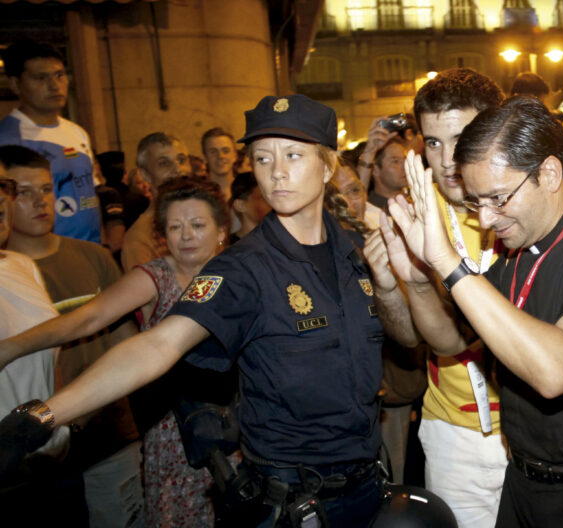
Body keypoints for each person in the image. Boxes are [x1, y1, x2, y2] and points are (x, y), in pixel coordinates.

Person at [0, 94, 397, 528]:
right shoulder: (243, 268)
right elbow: (158, 345)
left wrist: (395, 285)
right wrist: (42, 416)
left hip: (367, 485)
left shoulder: (357, 250)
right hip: (294, 500)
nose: (277, 172)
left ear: (327, 166)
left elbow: (410, 338)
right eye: (262, 158)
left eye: (293, 155)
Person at [363, 68, 563, 527]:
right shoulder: (514, 250)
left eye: (498, 198)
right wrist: (417, 280)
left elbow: (556, 370)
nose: (485, 219)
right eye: (433, 142)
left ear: (548, 173)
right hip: (524, 479)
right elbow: (451, 341)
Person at [0, 176, 231, 527]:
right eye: (175, 227)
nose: (186, 235)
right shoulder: (155, 277)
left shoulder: (238, 276)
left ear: (221, 231)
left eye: (197, 225)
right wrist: (12, 347)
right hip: (176, 433)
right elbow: (88, 318)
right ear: (162, 235)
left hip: (239, 428)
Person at [0, 145, 144, 527]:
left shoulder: (87, 258)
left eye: (46, 189)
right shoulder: (17, 267)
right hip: (22, 453)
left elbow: (128, 345)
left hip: (98, 435)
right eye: (23, 191)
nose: (40, 201)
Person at [0, 171, 86, 525]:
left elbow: (51, 354)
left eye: (4, 187)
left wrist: (63, 424)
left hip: (53, 454)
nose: (1, 198)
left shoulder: (21, 265)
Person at [0, 41, 101, 244]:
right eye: (40, 78)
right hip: (43, 253)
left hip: (90, 248)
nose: (55, 85)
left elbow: (92, 195)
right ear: (15, 84)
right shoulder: (8, 139)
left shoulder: (77, 132)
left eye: (59, 75)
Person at [121, 132, 192, 271]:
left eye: (181, 160)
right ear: (145, 175)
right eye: (164, 163)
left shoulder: (206, 217)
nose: (177, 169)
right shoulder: (139, 237)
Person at [229, 171, 271, 244]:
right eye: (262, 198)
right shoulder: (228, 246)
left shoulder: (280, 240)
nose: (270, 203)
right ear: (240, 205)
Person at [202, 128, 238, 202]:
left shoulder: (249, 191)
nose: (220, 156)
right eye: (213, 152)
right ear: (204, 158)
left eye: (226, 151)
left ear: (235, 156)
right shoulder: (199, 194)